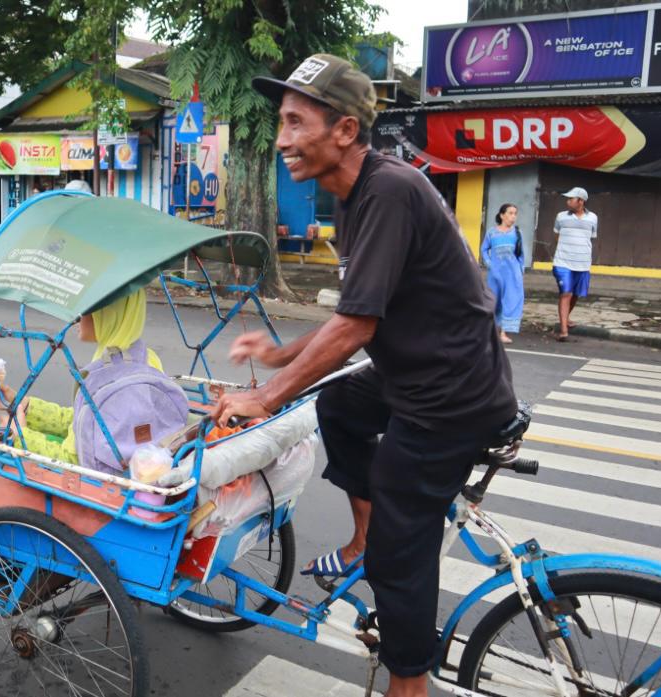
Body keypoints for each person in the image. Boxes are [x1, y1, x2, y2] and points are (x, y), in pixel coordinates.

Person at [212, 54, 517, 697]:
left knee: (402, 550)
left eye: (296, 122)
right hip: (421, 377)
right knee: (340, 406)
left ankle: (408, 683)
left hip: (449, 399)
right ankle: (361, 538)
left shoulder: (389, 191)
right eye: (282, 123)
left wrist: (264, 396)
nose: (283, 139)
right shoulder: (357, 198)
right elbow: (356, 316)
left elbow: (354, 329)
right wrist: (281, 356)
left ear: (345, 131)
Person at [0, 289, 184, 473]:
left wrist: (21, 437)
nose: (77, 319)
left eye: (85, 310)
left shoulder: (108, 377)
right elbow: (85, 425)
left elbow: (76, 461)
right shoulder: (146, 358)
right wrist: (27, 406)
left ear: (106, 315)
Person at [552, 187, 597, 342]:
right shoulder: (561, 216)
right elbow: (556, 236)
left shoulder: (593, 218)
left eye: (571, 199)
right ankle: (563, 330)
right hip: (562, 262)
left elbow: (590, 237)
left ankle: (565, 318)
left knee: (576, 294)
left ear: (581, 201)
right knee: (566, 293)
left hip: (583, 264)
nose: (568, 201)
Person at [481, 203, 525, 344]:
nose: (513, 216)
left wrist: (520, 270)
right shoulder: (492, 233)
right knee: (494, 301)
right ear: (502, 215)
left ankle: (503, 332)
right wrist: (489, 264)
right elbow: (484, 250)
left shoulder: (517, 233)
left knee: (510, 301)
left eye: (515, 213)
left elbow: (521, 255)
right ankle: (491, 331)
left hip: (512, 274)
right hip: (495, 274)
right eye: (510, 213)